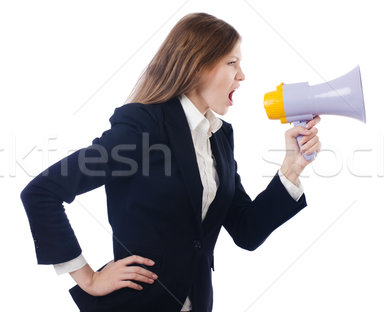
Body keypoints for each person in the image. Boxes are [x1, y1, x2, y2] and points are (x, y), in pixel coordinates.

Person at [20, 13, 321, 311]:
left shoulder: (219, 136)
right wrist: (88, 279)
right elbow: (43, 191)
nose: (241, 76)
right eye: (232, 63)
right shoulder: (143, 125)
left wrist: (292, 167)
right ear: (198, 66)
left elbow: (247, 231)